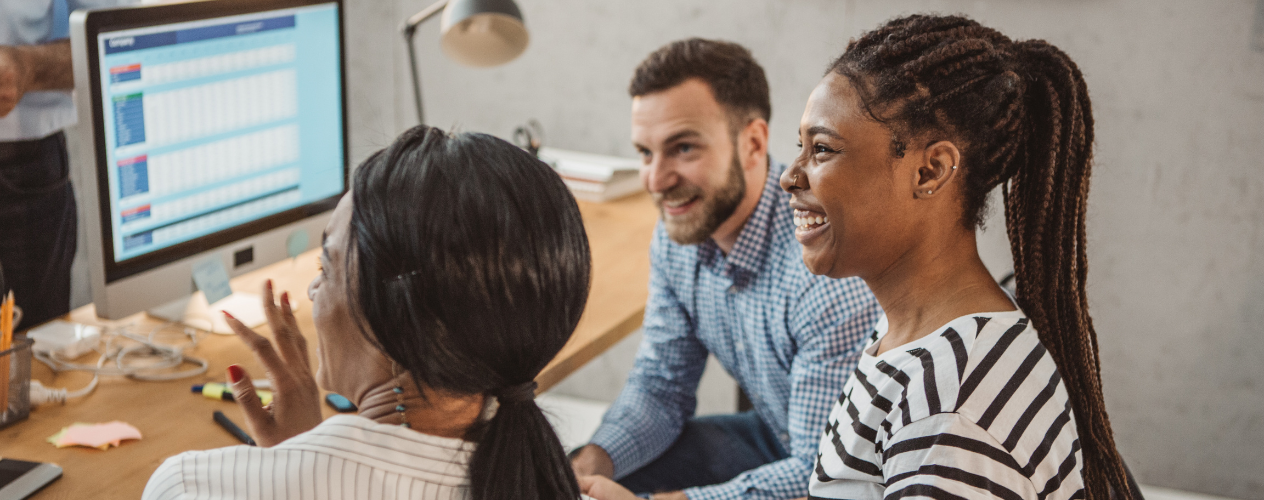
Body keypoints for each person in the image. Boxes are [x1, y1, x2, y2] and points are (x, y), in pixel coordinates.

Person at [777, 14, 1131, 500]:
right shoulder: (910, 333)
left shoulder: (951, 414)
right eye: (801, 147)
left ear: (930, 171)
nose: (790, 176)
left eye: (821, 149)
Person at [141, 126, 591, 500]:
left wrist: (290, 468)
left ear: (396, 317)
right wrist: (299, 455)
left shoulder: (189, 488)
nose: (314, 291)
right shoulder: (554, 482)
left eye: (326, 267)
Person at [571, 39, 880, 500]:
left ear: (753, 143)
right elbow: (661, 385)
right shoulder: (681, 233)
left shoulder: (826, 274)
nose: (656, 180)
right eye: (645, 153)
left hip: (858, 476)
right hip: (776, 432)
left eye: (683, 148)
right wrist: (590, 463)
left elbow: (824, 473)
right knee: (588, 471)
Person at [0, 0, 133, 329]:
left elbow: (121, 35)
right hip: (25, 168)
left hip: (24, 163)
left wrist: (28, 67)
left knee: (35, 352)